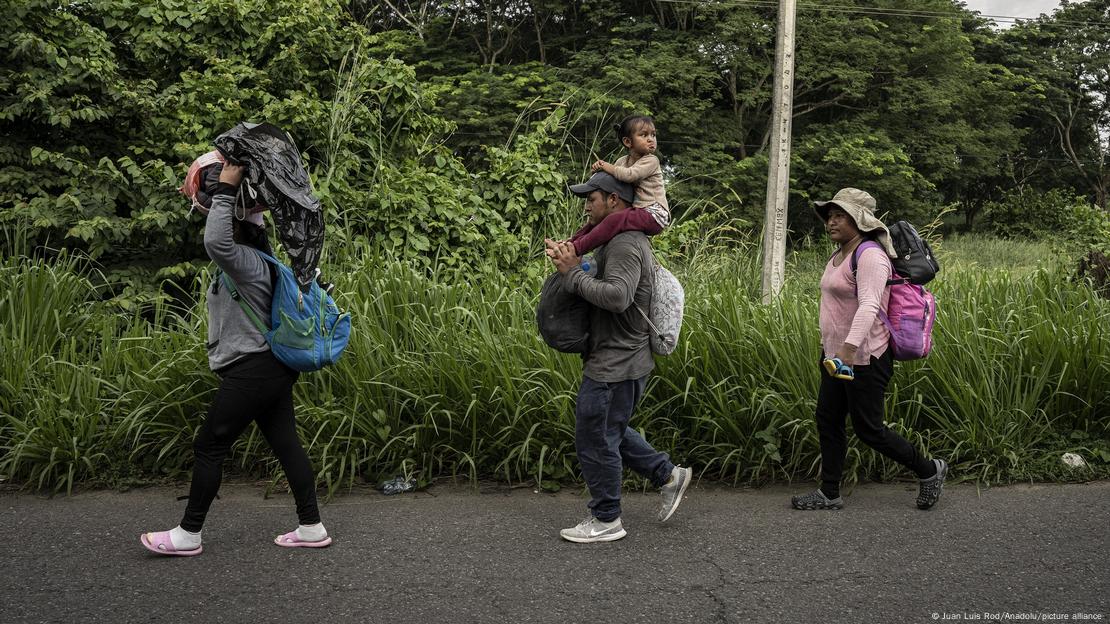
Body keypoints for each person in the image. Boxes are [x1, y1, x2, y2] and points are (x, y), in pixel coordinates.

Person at [140, 162, 331, 555]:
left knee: (210, 445)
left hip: (254, 369)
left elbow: (217, 242)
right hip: (272, 368)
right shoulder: (262, 257)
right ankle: (311, 527)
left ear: (228, 223)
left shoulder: (242, 261)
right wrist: (248, 201)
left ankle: (187, 535)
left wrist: (226, 188)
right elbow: (250, 224)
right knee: (286, 444)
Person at [545, 171, 691, 543]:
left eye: (591, 197)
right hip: (614, 356)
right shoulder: (614, 239)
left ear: (613, 200)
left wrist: (573, 274)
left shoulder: (625, 242)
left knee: (595, 436)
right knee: (606, 429)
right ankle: (666, 474)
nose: (586, 204)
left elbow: (617, 297)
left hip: (618, 361)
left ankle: (607, 517)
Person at [791, 187, 947, 511]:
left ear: (859, 220)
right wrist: (831, 350)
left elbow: (870, 305)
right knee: (828, 419)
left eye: (839, 216)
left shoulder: (871, 255)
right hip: (837, 357)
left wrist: (847, 350)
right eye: (829, 216)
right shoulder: (840, 254)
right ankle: (829, 491)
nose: (831, 222)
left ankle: (930, 470)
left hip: (864, 358)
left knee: (869, 430)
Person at [565, 115, 670, 257]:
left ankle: (576, 250)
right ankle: (569, 244)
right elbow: (613, 179)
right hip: (639, 210)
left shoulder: (652, 160)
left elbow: (629, 175)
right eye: (644, 135)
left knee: (614, 219)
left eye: (653, 135)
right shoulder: (622, 161)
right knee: (593, 222)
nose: (651, 139)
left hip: (654, 213)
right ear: (627, 141)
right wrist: (599, 168)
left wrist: (607, 166)